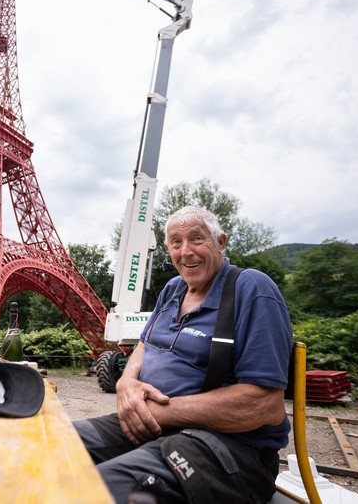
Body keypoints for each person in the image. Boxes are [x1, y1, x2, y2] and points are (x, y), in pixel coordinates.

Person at [75, 206, 292, 503]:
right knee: (51, 444)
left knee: (100, 489)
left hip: (231, 448)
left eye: (196, 239)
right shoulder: (173, 289)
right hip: (154, 427)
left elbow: (265, 405)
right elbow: (144, 345)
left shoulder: (250, 288)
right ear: (168, 249)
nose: (186, 251)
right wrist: (126, 381)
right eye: (176, 242)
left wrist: (162, 412)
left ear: (220, 242)